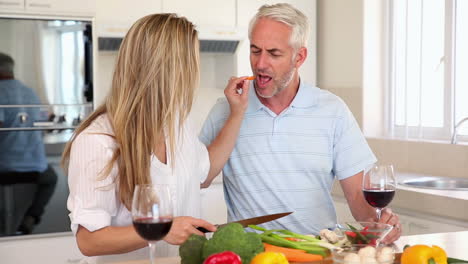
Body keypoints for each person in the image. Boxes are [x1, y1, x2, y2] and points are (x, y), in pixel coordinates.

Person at [199, 3, 402, 243]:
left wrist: (380, 224)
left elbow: (359, 196)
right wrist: (236, 113)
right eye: (255, 50)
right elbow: (199, 178)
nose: (261, 63)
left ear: (300, 57)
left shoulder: (332, 110)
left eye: (274, 53)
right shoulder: (226, 110)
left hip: (317, 252)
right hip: (250, 254)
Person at [61, 13, 250, 262]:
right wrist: (163, 229)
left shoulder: (176, 123)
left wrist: (236, 113)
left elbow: (203, 174)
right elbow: (89, 241)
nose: (195, 71)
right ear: (171, 70)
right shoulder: (98, 140)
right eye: (192, 61)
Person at [0, 52, 58, 235]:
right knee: (51, 178)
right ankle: (31, 216)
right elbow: (42, 122)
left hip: (6, 168)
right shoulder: (29, 91)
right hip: (35, 168)